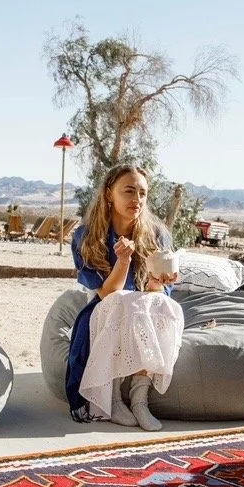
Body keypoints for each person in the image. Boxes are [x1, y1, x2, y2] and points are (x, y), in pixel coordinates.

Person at [65, 164, 183, 431]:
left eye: (142, 193)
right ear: (109, 194)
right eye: (128, 191)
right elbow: (108, 293)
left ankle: (140, 399)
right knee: (123, 303)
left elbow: (153, 293)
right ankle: (115, 398)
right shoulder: (86, 236)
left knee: (164, 303)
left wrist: (157, 282)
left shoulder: (156, 234)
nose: (136, 200)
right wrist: (123, 261)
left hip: (143, 308)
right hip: (105, 309)